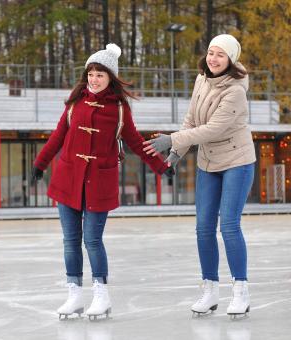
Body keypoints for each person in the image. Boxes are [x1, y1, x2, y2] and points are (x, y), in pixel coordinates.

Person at [32, 43, 171, 320]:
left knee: (93, 241)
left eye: (100, 74)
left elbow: (134, 141)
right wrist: (39, 164)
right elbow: (57, 137)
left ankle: (101, 295)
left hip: (98, 183)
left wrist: (160, 166)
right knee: (70, 241)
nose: (94, 79)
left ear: (110, 78)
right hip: (68, 180)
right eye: (91, 73)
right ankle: (74, 295)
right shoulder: (74, 104)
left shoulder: (119, 110)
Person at [143, 34, 256, 318]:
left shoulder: (235, 91)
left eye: (220, 54)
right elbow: (192, 120)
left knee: (229, 225)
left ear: (230, 60)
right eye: (210, 52)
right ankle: (210, 289)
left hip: (237, 161)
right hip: (208, 162)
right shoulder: (201, 79)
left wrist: (172, 139)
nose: (213, 59)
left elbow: (213, 130)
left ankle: (240, 291)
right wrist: (176, 152)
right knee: (203, 228)